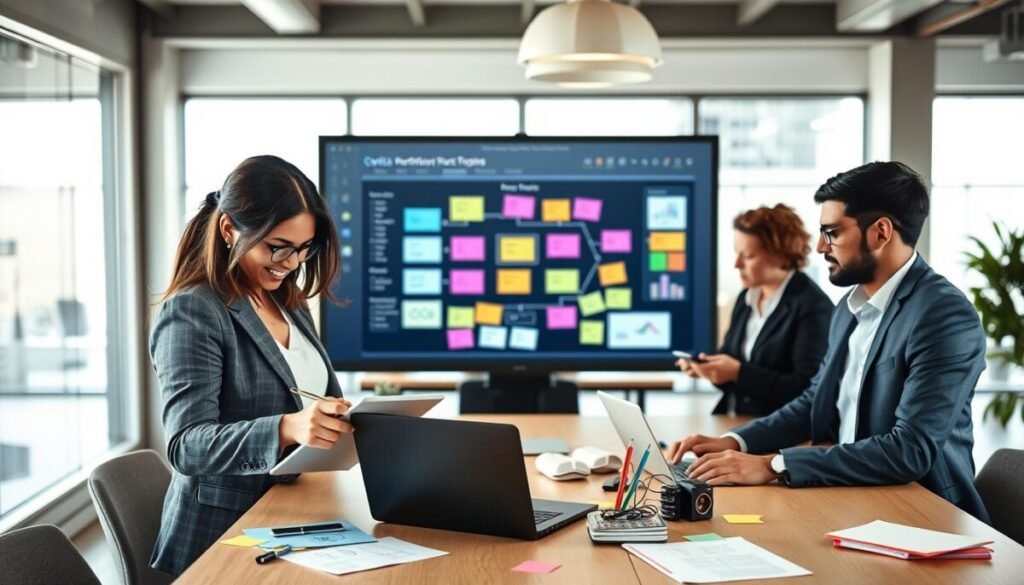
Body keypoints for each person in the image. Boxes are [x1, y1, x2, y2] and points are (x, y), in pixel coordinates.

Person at [668, 161, 990, 523]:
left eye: (832, 232)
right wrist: (735, 442)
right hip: (850, 496)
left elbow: (909, 450)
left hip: (922, 514)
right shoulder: (848, 308)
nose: (821, 247)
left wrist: (774, 464)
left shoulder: (943, 315)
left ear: (881, 232)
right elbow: (814, 401)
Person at [149, 155, 353, 576]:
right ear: (229, 229)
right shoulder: (193, 311)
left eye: (303, 249)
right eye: (277, 247)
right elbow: (186, 446)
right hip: (223, 538)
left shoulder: (287, 301)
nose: (293, 263)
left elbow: (310, 397)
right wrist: (286, 427)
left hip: (293, 515)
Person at [677, 204, 833, 416]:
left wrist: (738, 373)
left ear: (781, 255)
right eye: (736, 254)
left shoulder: (813, 306)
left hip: (778, 432)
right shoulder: (747, 297)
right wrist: (709, 369)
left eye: (748, 256)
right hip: (735, 420)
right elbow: (733, 366)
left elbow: (806, 388)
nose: (736, 264)